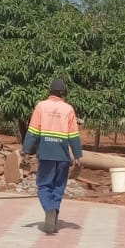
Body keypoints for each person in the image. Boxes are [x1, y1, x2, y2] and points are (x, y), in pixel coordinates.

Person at [22, 79, 82, 234]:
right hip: (62, 155)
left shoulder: (41, 106)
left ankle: (49, 209)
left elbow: (33, 131)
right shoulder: (68, 109)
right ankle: (54, 209)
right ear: (63, 93)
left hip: (46, 153)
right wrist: (77, 156)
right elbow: (74, 135)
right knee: (58, 186)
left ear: (50, 91)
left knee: (43, 185)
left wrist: (26, 152)